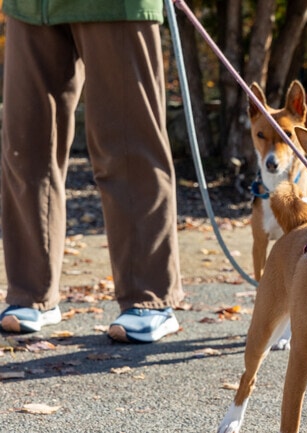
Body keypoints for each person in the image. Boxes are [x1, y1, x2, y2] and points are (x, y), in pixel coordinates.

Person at [0, 0, 184, 343]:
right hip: (31, 7)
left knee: (127, 147)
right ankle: (31, 294)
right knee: (25, 147)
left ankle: (150, 298)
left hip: (114, 6)